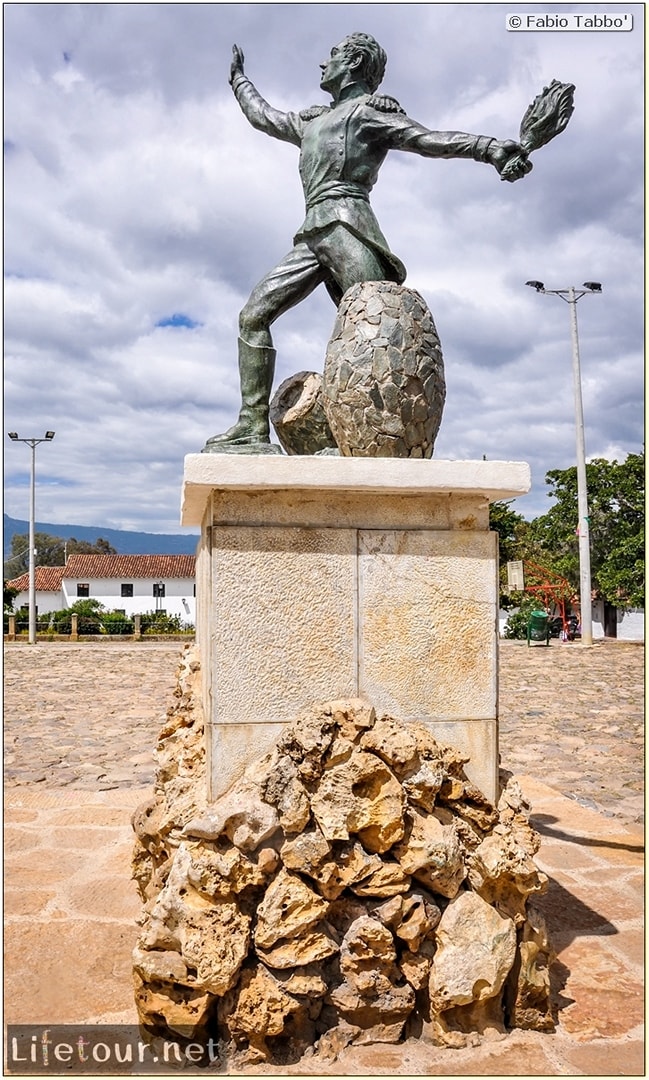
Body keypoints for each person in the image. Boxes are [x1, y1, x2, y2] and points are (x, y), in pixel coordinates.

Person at [205, 32, 531, 450]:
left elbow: (427, 140)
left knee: (378, 334)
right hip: (314, 235)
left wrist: (489, 149)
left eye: (334, 55)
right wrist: (239, 81)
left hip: (348, 228)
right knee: (253, 317)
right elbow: (264, 116)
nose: (324, 63)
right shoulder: (311, 121)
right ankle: (251, 425)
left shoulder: (365, 114)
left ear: (355, 62)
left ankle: (373, 436)